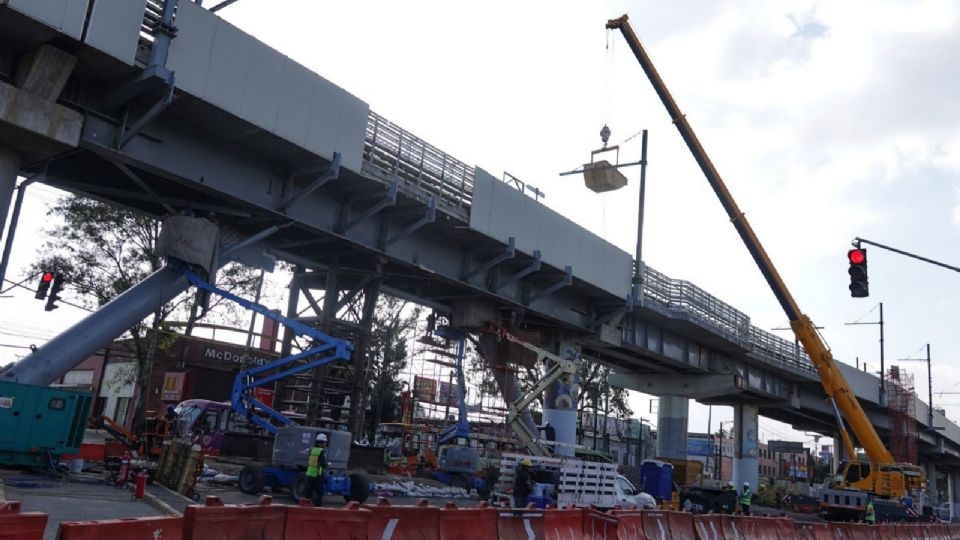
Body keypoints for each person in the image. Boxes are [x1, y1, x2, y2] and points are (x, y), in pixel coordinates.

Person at [304, 433, 328, 506]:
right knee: (320, 493)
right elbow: (323, 464)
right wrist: (326, 465)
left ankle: (304, 508)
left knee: (308, 494)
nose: (325, 444)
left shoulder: (312, 449)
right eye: (325, 443)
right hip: (317, 476)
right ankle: (317, 509)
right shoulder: (321, 451)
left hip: (309, 474)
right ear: (322, 443)